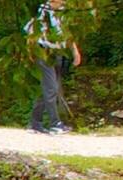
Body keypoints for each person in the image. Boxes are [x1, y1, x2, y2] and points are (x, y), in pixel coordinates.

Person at [25, 0, 81, 134]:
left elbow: (67, 34)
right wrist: (30, 52)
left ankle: (35, 123)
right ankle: (55, 123)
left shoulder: (62, 13)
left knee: (48, 88)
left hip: (57, 52)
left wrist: (75, 52)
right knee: (51, 88)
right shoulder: (42, 13)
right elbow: (30, 33)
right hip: (44, 52)